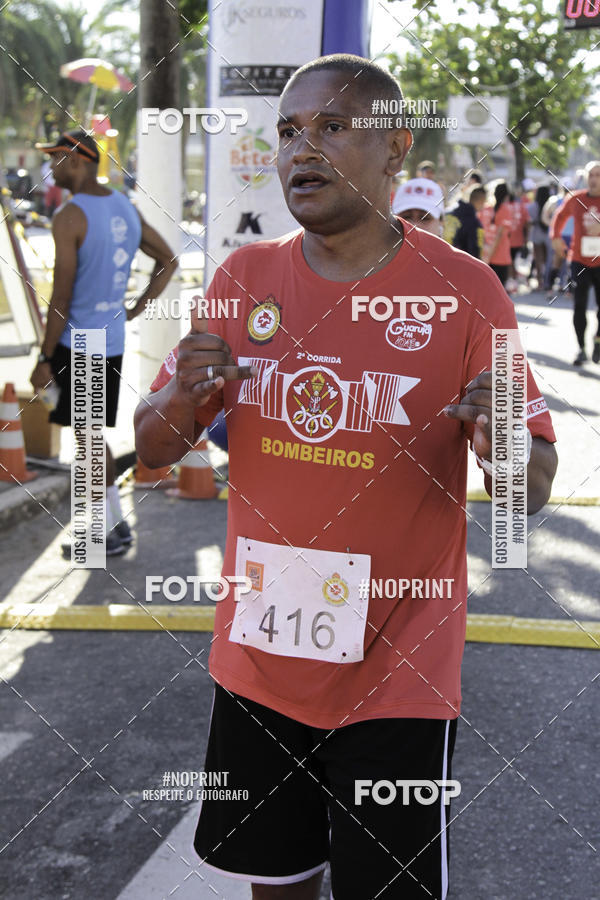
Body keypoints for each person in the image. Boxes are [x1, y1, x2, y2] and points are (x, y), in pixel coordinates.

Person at [135, 55, 557, 899]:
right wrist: (186, 388)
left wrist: (502, 442)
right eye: (289, 131)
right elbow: (151, 448)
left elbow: (532, 483)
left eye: (333, 127)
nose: (302, 149)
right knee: (276, 882)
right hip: (261, 659)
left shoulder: (466, 292)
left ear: (396, 148)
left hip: (400, 672)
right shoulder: (243, 280)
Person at [30, 129, 177, 554]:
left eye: (55, 158)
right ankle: (112, 526)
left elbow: (61, 296)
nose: (50, 168)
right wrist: (136, 307)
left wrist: (43, 356)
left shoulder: (70, 215)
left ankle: (100, 536)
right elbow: (168, 260)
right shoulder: (124, 207)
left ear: (77, 160)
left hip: (81, 343)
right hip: (108, 339)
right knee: (91, 437)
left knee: (89, 441)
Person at [551, 160, 600, 365]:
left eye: (598, 175)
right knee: (579, 305)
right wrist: (556, 238)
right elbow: (559, 216)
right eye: (591, 175)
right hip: (579, 261)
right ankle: (581, 348)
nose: (594, 179)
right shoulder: (576, 198)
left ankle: (598, 341)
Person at [479, 181, 513, 289]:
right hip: (500, 255)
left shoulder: (485, 209)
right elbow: (499, 235)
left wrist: (486, 252)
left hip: (485, 253)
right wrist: (490, 254)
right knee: (500, 289)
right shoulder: (505, 210)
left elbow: (481, 230)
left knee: (488, 288)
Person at [444, 184, 486, 258]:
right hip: (459, 264)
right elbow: (476, 254)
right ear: (481, 200)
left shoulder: (449, 213)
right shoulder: (475, 223)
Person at [527, 185, 551, 289]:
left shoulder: (532, 206)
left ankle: (539, 281)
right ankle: (547, 281)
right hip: (547, 234)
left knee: (538, 259)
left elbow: (528, 221)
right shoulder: (550, 205)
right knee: (547, 259)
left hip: (536, 234)